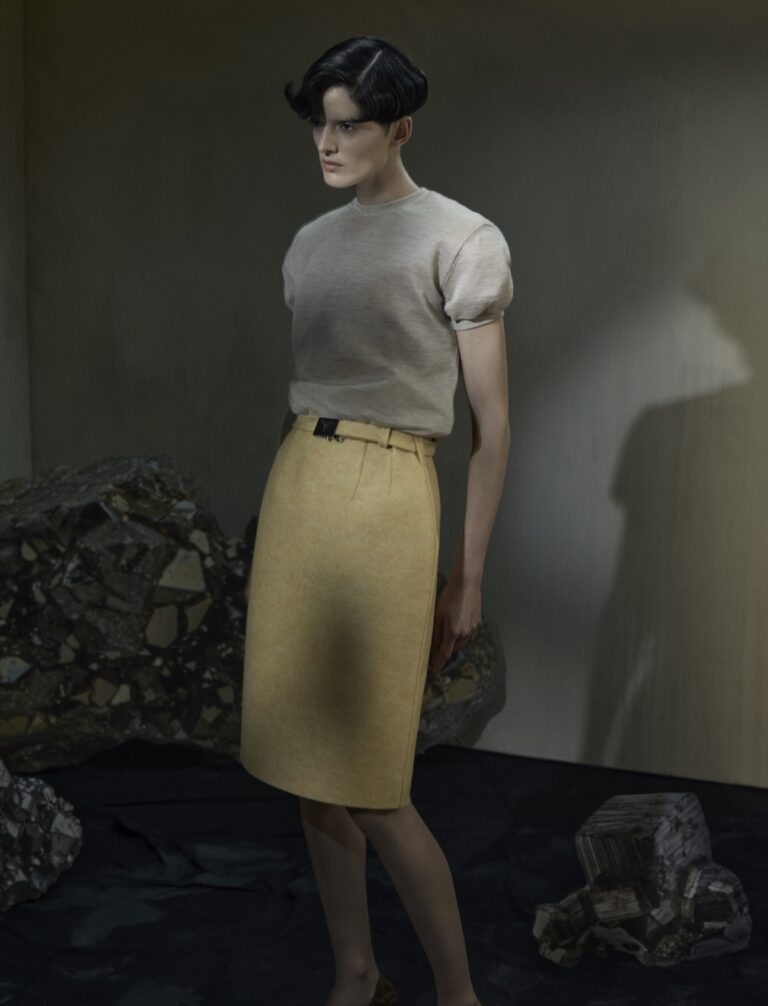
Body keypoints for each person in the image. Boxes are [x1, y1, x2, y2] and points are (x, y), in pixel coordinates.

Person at [240, 35, 513, 1006]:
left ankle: (458, 995)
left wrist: (467, 575)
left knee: (371, 779)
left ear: (400, 128)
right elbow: (310, 386)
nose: (328, 143)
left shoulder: (461, 240)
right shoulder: (310, 243)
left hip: (391, 488)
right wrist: (273, 519)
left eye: (349, 125)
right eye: (319, 124)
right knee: (310, 771)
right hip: (300, 484)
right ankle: (356, 973)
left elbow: (491, 426)